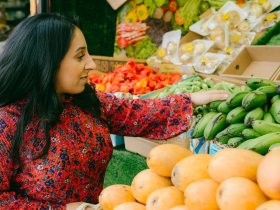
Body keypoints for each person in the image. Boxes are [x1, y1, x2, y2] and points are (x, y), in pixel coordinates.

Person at [0, 13, 229, 210]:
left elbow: (136, 112)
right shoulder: (6, 124)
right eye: (80, 56)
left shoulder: (84, 101)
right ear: (46, 62)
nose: (91, 64)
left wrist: (189, 100)